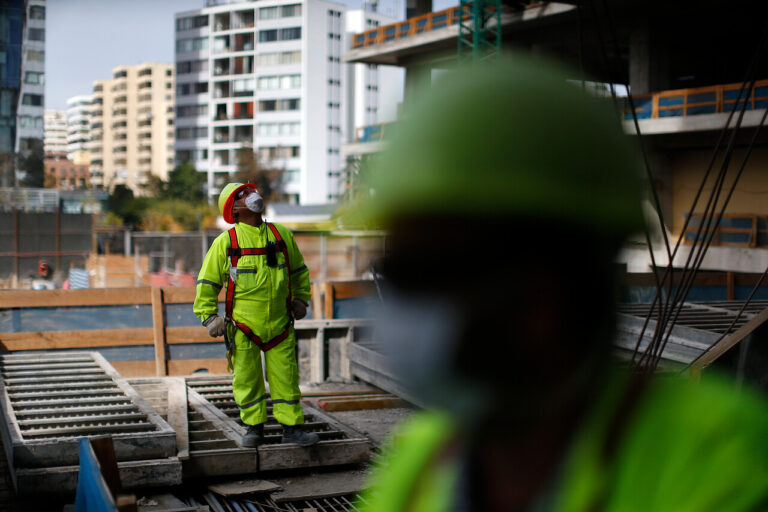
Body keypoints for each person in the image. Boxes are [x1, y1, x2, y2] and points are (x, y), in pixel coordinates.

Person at [357, 54, 768, 510]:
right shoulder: (421, 460)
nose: (394, 306)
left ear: (540, 300)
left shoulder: (721, 457)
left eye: (416, 275)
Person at [194, 182, 318, 448]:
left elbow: (298, 271)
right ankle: (254, 428)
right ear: (234, 209)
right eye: (242, 196)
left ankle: (292, 428)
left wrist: (300, 299)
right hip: (243, 327)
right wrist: (208, 316)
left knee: (286, 378)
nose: (250, 196)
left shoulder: (281, 235)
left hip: (281, 324)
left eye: (249, 192)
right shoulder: (226, 242)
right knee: (247, 379)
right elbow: (208, 282)